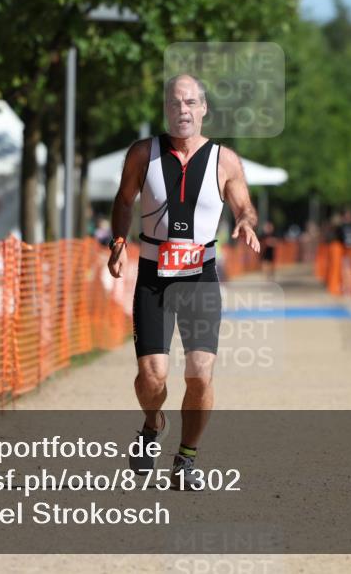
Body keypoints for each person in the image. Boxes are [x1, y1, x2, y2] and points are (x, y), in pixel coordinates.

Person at [108, 73, 260, 490]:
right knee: (153, 377)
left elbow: (244, 206)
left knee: (200, 374)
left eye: (191, 102)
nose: (183, 110)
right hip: (153, 277)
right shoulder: (144, 153)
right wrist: (118, 242)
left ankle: (186, 459)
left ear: (204, 108)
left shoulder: (224, 160)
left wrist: (246, 222)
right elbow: (123, 201)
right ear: (166, 108)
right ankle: (153, 423)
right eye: (175, 103)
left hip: (200, 278)